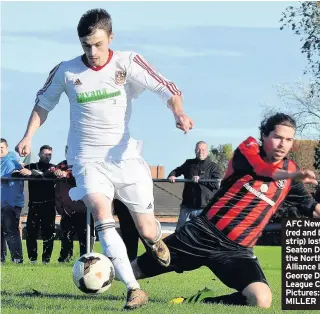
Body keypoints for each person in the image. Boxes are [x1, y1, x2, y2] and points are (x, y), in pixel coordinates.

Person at [15, 8, 194, 309]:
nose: (92, 52)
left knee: (148, 230)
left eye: (98, 44)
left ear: (111, 37)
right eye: (86, 45)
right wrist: (28, 136)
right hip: (86, 160)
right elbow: (43, 104)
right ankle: (134, 289)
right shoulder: (66, 71)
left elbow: (167, 88)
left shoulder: (128, 62)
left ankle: (155, 240)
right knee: (101, 213)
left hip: (125, 159)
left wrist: (179, 112)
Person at [131, 113, 320, 309]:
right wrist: (295, 175)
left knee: (262, 299)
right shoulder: (248, 151)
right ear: (264, 135)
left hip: (236, 251)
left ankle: (201, 302)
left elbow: (311, 207)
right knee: (131, 272)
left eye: (288, 139)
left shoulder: (290, 175)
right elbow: (262, 170)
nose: (283, 144)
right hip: (200, 235)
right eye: (278, 137)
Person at [168, 141, 221, 230]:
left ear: (207, 151)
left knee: (204, 234)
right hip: (187, 207)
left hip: (204, 209)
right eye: (198, 149)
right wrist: (172, 175)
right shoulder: (189, 163)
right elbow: (177, 170)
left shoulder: (213, 167)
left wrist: (201, 179)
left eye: (203, 150)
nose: (201, 152)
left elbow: (217, 184)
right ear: (195, 151)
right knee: (180, 232)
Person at [54, 146, 94, 262]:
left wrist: (66, 175)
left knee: (85, 238)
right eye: (69, 151)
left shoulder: (84, 164)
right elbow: (56, 186)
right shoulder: (61, 165)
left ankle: (86, 260)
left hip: (84, 211)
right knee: (66, 237)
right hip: (67, 211)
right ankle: (65, 259)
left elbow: (81, 178)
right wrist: (60, 208)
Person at [19, 145, 56, 264]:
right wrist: (23, 169)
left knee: (48, 233)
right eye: (45, 154)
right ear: (39, 154)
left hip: (49, 206)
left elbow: (50, 174)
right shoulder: (32, 166)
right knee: (31, 233)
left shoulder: (53, 168)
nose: (47, 156)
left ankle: (46, 260)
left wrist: (34, 174)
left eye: (49, 154)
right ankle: (32, 259)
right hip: (34, 205)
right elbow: (18, 171)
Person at [0, 138, 24, 264]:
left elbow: (17, 173)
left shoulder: (11, 162)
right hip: (2, 203)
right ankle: (1, 259)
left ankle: (17, 259)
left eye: (1, 148)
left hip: (10, 204)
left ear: (6, 148)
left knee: (10, 231)